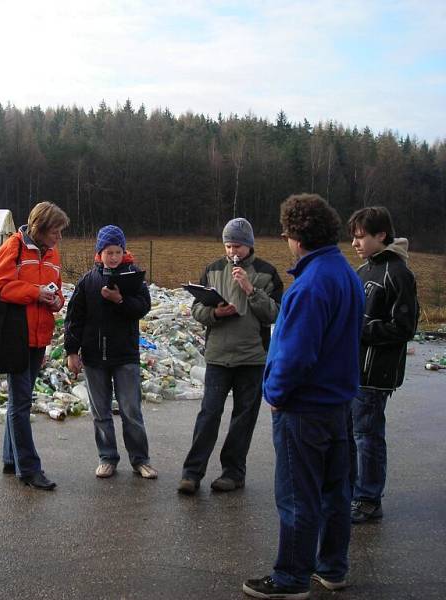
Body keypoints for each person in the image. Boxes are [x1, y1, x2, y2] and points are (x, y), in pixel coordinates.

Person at [243, 194, 364, 599]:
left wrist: (275, 393)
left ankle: (292, 577)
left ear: (296, 236)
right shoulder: (346, 274)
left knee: (297, 495)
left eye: (286, 234)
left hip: (304, 408)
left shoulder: (309, 285)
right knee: (335, 491)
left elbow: (297, 353)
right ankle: (332, 567)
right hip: (337, 404)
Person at [178, 218, 283, 495]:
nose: (231, 251)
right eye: (227, 245)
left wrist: (250, 289)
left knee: (243, 419)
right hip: (217, 356)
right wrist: (215, 313)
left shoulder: (267, 273)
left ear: (249, 245)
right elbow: (197, 309)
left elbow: (274, 314)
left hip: (252, 358)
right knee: (208, 415)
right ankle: (192, 473)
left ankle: (233, 473)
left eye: (236, 245)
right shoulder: (212, 270)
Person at [0, 201, 69, 490]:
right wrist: (35, 293)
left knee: (19, 400)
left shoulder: (53, 253)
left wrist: (57, 300)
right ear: (40, 228)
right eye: (55, 231)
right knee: (21, 402)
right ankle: (29, 469)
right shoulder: (14, 247)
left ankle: (11, 459)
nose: (59, 237)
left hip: (39, 336)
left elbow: (56, 286)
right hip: (16, 335)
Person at [64, 225, 157, 479]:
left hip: (125, 355)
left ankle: (141, 460)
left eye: (118, 251)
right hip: (94, 357)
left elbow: (143, 307)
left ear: (124, 252)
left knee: (131, 410)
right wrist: (72, 351)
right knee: (101, 412)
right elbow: (74, 319)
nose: (114, 256)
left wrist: (120, 300)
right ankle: (107, 458)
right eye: (109, 251)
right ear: (99, 253)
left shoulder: (134, 276)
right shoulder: (88, 281)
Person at [347, 206, 419, 524]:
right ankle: (352, 493)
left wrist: (360, 327)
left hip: (376, 372)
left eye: (361, 237)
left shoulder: (398, 273)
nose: (355, 243)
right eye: (353, 237)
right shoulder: (363, 271)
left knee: (367, 435)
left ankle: (368, 499)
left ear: (381, 235)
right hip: (351, 369)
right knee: (351, 434)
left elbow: (403, 328)